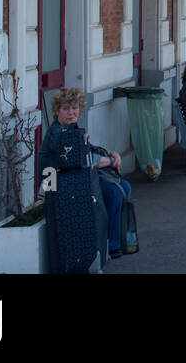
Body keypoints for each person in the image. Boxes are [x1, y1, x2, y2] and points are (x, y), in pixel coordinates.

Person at [39, 87, 127, 267]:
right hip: (62, 188)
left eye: (74, 108)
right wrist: (110, 162)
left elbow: (90, 149)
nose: (71, 112)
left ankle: (109, 240)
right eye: (65, 108)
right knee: (113, 191)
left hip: (74, 181)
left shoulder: (70, 129)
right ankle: (112, 245)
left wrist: (112, 155)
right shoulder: (57, 134)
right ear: (57, 111)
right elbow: (82, 159)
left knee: (123, 187)